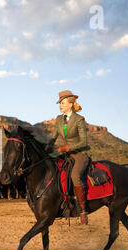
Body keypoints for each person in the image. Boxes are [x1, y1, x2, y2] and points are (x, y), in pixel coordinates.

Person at [47, 90, 90, 225]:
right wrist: (47, 147)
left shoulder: (79, 119)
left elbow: (83, 142)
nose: (60, 105)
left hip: (79, 154)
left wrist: (67, 147)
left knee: (75, 175)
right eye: (59, 103)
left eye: (63, 102)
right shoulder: (59, 119)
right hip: (66, 155)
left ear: (70, 104)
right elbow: (53, 136)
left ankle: (82, 210)